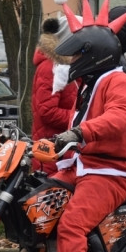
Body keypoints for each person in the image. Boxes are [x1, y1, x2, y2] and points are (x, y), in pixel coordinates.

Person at [31, 0, 126, 252]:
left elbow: (120, 118)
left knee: (71, 225)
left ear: (95, 54)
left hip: (110, 171)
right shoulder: (92, 83)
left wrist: (79, 132)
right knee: (39, 199)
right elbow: (70, 119)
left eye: (80, 55)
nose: (75, 61)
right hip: (85, 164)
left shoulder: (119, 83)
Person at [31, 17, 77, 173]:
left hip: (62, 147)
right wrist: (79, 118)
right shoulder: (50, 68)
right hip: (52, 150)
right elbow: (47, 111)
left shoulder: (67, 67)